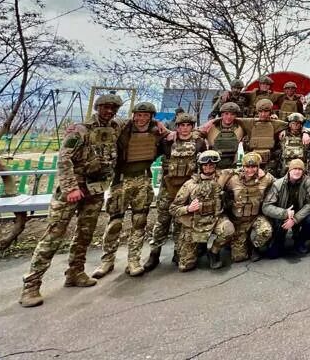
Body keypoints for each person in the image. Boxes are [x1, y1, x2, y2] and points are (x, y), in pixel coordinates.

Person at [19, 94, 123, 307]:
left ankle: (75, 272)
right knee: (53, 236)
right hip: (72, 190)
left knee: (85, 234)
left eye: (114, 108)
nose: (110, 111)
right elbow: (64, 158)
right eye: (106, 107)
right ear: (97, 107)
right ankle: (31, 285)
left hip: (94, 190)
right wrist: (71, 188)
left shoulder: (115, 128)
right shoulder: (80, 129)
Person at [93, 101, 161, 279]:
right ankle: (107, 260)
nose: (141, 119)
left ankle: (134, 260)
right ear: (133, 115)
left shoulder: (156, 131)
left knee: (139, 222)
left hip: (143, 179)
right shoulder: (120, 128)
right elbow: (100, 129)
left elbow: (168, 139)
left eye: (145, 116)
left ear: (151, 117)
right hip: (121, 180)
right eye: (138, 115)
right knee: (115, 223)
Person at [144, 112, 207, 271]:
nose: (185, 129)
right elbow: (151, 153)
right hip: (168, 188)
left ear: (192, 127)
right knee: (162, 221)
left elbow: (203, 165)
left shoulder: (199, 143)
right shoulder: (167, 141)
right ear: (177, 127)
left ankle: (178, 252)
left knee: (181, 222)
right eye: (181, 126)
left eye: (188, 126)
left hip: (186, 191)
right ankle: (154, 254)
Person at [169, 150, 235, 271]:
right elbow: (173, 209)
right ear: (201, 166)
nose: (209, 168)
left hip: (215, 219)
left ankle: (214, 252)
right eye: (205, 165)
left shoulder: (222, 178)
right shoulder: (190, 184)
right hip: (194, 223)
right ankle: (193, 248)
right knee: (185, 266)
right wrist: (188, 208)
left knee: (228, 230)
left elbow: (243, 172)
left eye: (212, 165)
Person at [220, 151, 274, 262]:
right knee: (238, 257)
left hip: (255, 218)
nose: (250, 170)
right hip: (238, 221)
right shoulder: (233, 179)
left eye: (254, 166)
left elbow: (280, 185)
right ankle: (237, 242)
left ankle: (255, 247)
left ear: (258, 167)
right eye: (247, 166)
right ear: (243, 166)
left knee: (265, 230)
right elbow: (217, 189)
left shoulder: (266, 178)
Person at [261, 158, 310, 257]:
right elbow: (266, 207)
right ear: (289, 170)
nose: (297, 171)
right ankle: (278, 242)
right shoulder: (278, 184)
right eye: (294, 168)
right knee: (274, 254)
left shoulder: (306, 182)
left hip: (298, 215)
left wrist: (295, 219)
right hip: (283, 216)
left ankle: (300, 241)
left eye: (300, 169)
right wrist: (284, 213)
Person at [197, 102, 248, 170]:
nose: (229, 117)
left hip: (234, 165)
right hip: (213, 165)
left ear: (236, 116)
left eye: (232, 114)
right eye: (226, 114)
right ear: (222, 114)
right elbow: (196, 134)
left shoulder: (241, 126)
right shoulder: (211, 126)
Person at [242, 99, 287, 175]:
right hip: (252, 162)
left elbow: (293, 125)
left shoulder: (276, 123)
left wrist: (285, 130)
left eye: (266, 111)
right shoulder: (250, 123)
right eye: (260, 111)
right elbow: (233, 120)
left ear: (270, 112)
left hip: (271, 163)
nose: (263, 114)